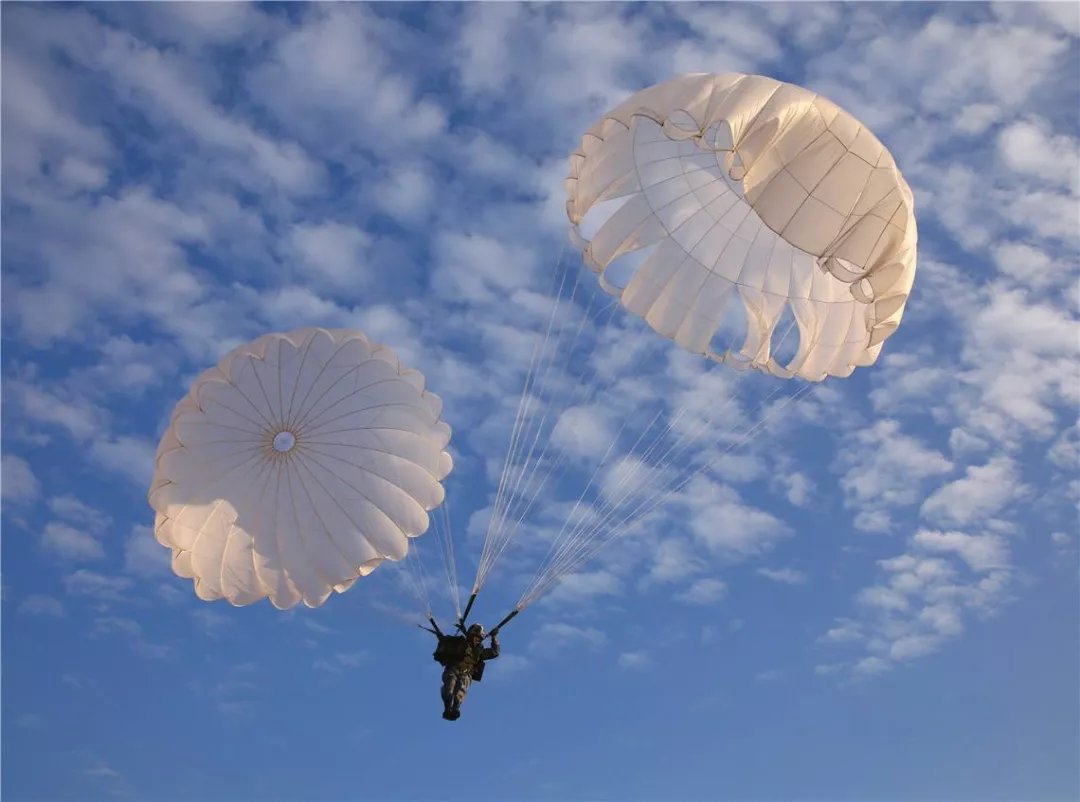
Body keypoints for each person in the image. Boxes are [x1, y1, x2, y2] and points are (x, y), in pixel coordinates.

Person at [434, 623, 500, 720]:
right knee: (450, 687)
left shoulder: (479, 651)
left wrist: (494, 638)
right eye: (475, 637)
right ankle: (447, 708)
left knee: (460, 689)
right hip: (452, 670)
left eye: (479, 639)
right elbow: (446, 642)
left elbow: (495, 652)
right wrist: (441, 638)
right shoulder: (458, 643)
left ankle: (456, 708)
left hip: (466, 674)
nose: (477, 640)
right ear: (470, 636)